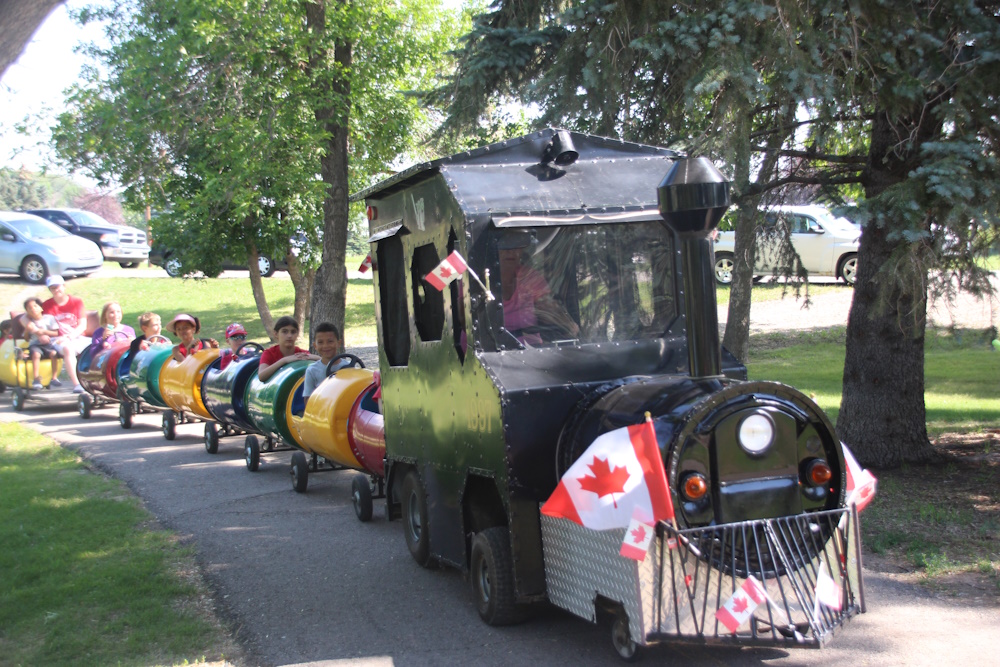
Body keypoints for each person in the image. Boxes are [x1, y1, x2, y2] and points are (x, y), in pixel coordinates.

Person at [498, 232, 579, 345]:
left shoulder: (528, 276)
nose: (511, 251)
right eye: (504, 246)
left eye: (516, 245)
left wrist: (566, 323)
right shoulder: (481, 280)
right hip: (495, 351)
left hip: (532, 349)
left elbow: (547, 306)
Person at [257, 316, 317, 382]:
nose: (289, 336)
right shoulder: (269, 353)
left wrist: (315, 357)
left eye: (293, 332)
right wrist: (284, 360)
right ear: (276, 334)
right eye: (284, 332)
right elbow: (261, 376)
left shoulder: (302, 354)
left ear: (297, 334)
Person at [41, 275, 90, 355]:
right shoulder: (46, 305)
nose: (56, 290)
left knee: (96, 347)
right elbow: (42, 325)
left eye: (57, 286)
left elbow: (82, 325)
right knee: (68, 349)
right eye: (52, 288)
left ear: (64, 286)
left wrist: (70, 337)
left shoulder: (77, 302)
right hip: (58, 339)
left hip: (77, 337)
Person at [22, 297, 62, 390]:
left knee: (54, 353)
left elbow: (56, 333)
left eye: (35, 306)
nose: (33, 309)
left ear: (41, 308)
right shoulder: (29, 323)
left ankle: (54, 378)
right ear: (27, 311)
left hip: (48, 343)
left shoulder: (49, 318)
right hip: (35, 344)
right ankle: (36, 378)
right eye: (29, 308)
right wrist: (27, 330)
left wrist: (44, 332)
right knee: (36, 354)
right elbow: (26, 339)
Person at [302, 322, 348, 399]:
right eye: (320, 342)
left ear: (339, 343)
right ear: (315, 346)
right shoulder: (312, 371)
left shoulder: (349, 367)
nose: (325, 346)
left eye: (330, 341)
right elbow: (308, 399)